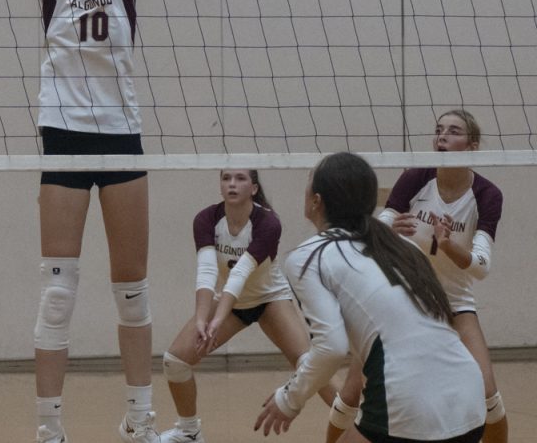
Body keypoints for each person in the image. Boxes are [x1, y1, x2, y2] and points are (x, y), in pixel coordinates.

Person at [0, 0, 183, 443]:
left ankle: (141, 417)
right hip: (65, 139)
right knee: (59, 290)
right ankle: (49, 426)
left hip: (122, 139)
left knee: (133, 290)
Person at [255, 152, 485, 443]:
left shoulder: (308, 255)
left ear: (316, 201)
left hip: (411, 406)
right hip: (470, 397)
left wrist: (289, 399)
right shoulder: (401, 245)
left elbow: (332, 347)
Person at [325, 110, 506, 443]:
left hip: (454, 301)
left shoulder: (487, 195)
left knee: (488, 392)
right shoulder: (416, 177)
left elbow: (481, 266)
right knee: (352, 389)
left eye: (453, 131)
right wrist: (386, 229)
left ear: (473, 145)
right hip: (405, 297)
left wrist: (450, 246)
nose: (442, 137)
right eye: (438, 130)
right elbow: (373, 231)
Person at [158, 169, 335, 443]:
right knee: (175, 362)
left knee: (309, 365)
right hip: (232, 304)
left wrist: (217, 319)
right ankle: (188, 431)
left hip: (270, 299)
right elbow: (206, 272)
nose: (231, 184)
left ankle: (353, 421)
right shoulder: (206, 219)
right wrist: (203, 319)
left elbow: (240, 274)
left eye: (240, 178)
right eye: (226, 178)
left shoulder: (268, 223)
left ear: (253, 188)